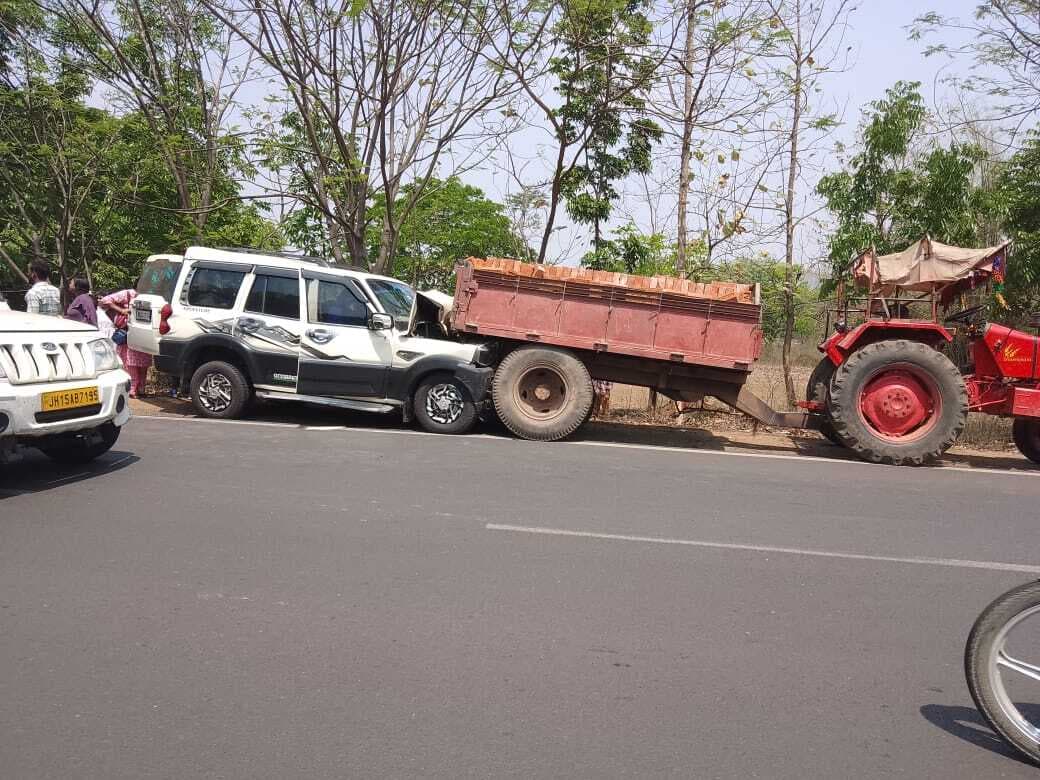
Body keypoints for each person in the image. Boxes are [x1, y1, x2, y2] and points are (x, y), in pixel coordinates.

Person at [99, 288, 151, 398]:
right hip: (129, 333)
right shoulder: (127, 294)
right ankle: (133, 389)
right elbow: (105, 300)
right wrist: (122, 310)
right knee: (131, 362)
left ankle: (141, 389)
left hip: (145, 334)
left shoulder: (151, 297)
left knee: (144, 363)